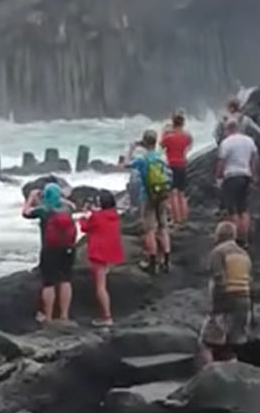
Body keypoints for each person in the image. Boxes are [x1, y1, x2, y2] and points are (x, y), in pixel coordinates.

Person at [199, 221, 253, 365]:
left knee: (206, 343)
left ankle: (209, 375)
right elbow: (249, 280)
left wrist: (214, 308)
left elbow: (219, 279)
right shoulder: (244, 254)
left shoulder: (218, 252)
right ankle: (232, 375)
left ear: (219, 235)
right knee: (231, 346)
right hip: (244, 301)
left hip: (226, 299)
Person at [21, 182, 76, 324]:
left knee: (49, 283)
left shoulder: (43, 210)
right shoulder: (68, 208)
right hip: (68, 248)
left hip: (50, 249)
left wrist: (31, 198)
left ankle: (49, 317)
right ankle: (64, 316)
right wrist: (60, 196)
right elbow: (72, 205)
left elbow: (26, 213)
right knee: (65, 280)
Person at [129, 130, 172, 274]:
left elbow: (124, 165)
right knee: (163, 228)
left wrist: (131, 148)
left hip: (147, 196)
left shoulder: (142, 159)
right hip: (162, 195)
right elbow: (169, 177)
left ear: (144, 142)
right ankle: (166, 261)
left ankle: (152, 263)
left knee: (149, 230)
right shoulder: (161, 158)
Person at [79, 191, 124, 326]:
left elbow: (85, 228)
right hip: (110, 252)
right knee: (102, 280)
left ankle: (107, 317)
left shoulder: (96, 217)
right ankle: (106, 316)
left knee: (100, 287)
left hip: (98, 252)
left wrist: (83, 217)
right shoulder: (114, 216)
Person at [215, 119, 260, 245]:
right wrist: (255, 175)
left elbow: (221, 161)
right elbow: (255, 158)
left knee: (232, 210)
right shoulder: (249, 140)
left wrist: (218, 177)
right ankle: (244, 239)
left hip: (231, 177)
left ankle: (234, 239)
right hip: (245, 176)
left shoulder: (226, 143)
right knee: (243, 209)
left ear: (227, 129)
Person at [160, 112, 193, 224]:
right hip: (182, 165)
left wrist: (164, 132)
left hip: (171, 165)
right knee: (182, 193)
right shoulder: (186, 137)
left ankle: (175, 219)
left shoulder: (169, 137)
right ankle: (184, 217)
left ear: (173, 123)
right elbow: (190, 143)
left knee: (173, 193)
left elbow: (161, 145)